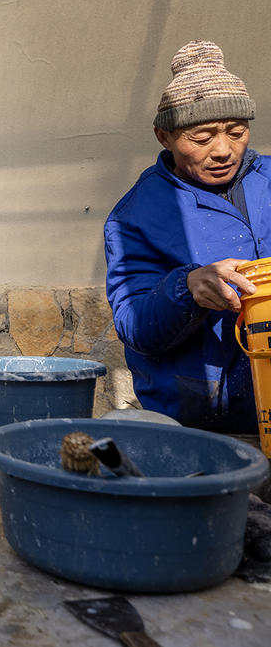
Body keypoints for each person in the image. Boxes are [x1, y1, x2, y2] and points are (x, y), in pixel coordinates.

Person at [105, 40, 267, 433]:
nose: (224, 150)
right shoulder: (134, 216)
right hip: (196, 415)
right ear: (164, 137)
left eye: (236, 132)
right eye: (202, 137)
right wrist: (186, 288)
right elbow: (133, 324)